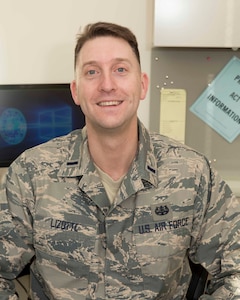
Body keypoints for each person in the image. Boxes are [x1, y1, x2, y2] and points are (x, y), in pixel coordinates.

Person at [0, 21, 239, 300]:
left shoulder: (193, 174)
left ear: (142, 85)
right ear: (76, 91)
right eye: (92, 72)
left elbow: (235, 270)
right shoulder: (30, 174)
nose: (107, 85)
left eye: (120, 69)